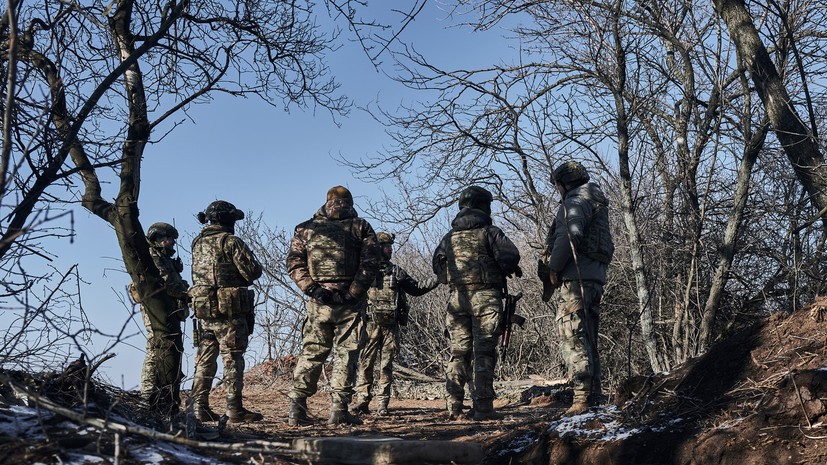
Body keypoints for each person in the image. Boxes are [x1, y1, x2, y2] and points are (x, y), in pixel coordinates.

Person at [286, 186, 381, 426]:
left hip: (319, 302)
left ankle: (297, 409)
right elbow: (371, 263)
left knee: (312, 352)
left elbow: (294, 262)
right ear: (349, 202)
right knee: (346, 354)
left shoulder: (306, 228)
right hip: (349, 303)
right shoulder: (360, 226)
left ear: (327, 202)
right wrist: (353, 292)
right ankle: (338, 410)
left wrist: (313, 289)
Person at [432, 186, 521, 421]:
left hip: (457, 300)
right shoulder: (490, 231)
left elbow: (438, 268)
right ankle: (483, 407)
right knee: (483, 353)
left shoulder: (448, 238)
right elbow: (510, 257)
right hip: (485, 299)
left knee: (458, 353)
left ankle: (454, 407)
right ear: (484, 206)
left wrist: (453, 280)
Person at [539, 161, 614, 415]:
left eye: (557, 186)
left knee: (573, 337)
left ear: (564, 184)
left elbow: (570, 235)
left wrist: (554, 268)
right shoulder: (596, 201)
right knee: (589, 337)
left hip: (576, 279)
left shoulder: (574, 202)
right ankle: (594, 394)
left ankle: (581, 400)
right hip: (595, 278)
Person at [189, 200, 264, 423]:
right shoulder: (230, 242)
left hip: (204, 311)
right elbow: (253, 271)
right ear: (228, 220)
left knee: (205, 359)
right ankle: (234, 409)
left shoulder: (197, 242)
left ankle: (198, 407)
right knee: (232, 358)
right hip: (229, 312)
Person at [352, 232, 439, 416]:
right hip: (370, 325)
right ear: (377, 248)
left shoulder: (397, 272)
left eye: (390, 246)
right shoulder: (366, 271)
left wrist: (438, 278)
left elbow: (416, 289)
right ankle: (362, 401)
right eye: (386, 246)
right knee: (366, 364)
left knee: (386, 365)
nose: (390, 249)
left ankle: (382, 404)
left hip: (390, 326)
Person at [135, 222, 189, 417]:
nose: (172, 242)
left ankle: (160, 393)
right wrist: (187, 291)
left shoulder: (164, 258)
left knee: (165, 349)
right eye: (168, 238)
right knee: (154, 347)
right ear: (158, 238)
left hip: (168, 309)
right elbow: (168, 284)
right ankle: (147, 394)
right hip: (155, 309)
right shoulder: (153, 257)